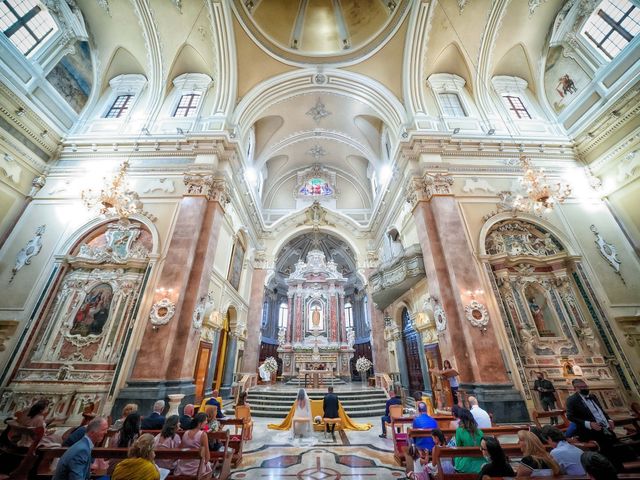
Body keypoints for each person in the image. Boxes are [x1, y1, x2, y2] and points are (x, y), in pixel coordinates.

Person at [174, 413, 212, 479]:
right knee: (209, 466)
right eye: (205, 420)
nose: (206, 422)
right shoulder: (203, 434)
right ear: (200, 422)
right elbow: (207, 457)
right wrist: (206, 463)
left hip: (183, 467)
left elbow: (181, 450)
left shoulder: (186, 433)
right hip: (196, 468)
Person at [453, 408, 486, 474]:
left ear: (461, 419)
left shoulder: (459, 430)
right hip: (481, 461)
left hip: (466, 463)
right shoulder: (480, 431)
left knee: (454, 457)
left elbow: (458, 448)